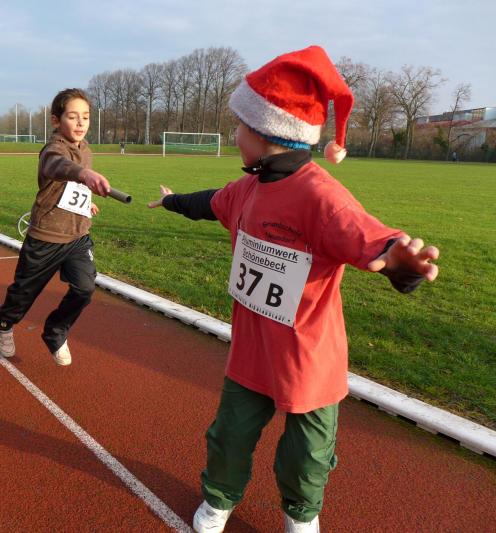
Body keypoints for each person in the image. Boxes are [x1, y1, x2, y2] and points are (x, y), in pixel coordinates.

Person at [147, 46, 439, 533]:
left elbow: (371, 238)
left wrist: (400, 264)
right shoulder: (247, 188)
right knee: (229, 437)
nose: (233, 135)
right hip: (252, 349)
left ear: (264, 134)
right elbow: (211, 203)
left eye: (239, 126)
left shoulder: (320, 197)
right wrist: (174, 201)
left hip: (308, 357)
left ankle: (301, 515)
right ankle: (218, 499)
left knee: (307, 454)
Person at [0, 88, 111, 366]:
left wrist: (87, 203)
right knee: (22, 295)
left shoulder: (86, 150)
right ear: (56, 120)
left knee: (84, 288)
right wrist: (84, 174)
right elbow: (57, 167)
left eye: (86, 117)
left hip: (77, 237)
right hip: (45, 237)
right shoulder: (53, 149)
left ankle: (55, 331)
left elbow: (71, 189)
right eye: (73, 116)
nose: (81, 123)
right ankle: (5, 323)